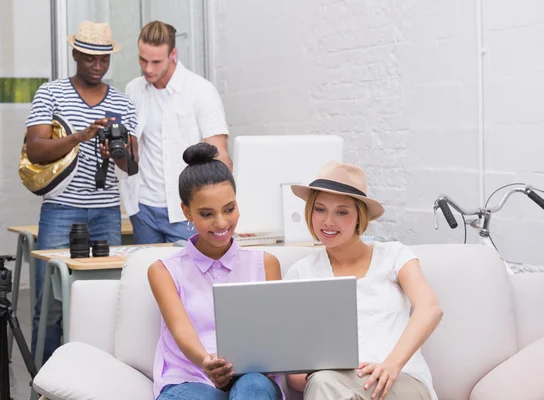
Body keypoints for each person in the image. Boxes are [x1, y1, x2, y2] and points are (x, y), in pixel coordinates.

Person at [25, 20, 137, 363]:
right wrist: (80, 136)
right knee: (51, 303)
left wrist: (116, 153)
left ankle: (95, 374)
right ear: (75, 53)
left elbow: (133, 167)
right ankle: (45, 383)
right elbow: (35, 150)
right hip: (60, 209)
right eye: (90, 58)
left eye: (104, 60)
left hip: (106, 212)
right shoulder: (51, 93)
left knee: (106, 299)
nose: (97, 66)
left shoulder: (123, 102)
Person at [284, 161, 443, 400]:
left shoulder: (394, 256)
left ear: (360, 216)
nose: (328, 221)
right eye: (320, 209)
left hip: (400, 381)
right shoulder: (301, 273)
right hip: (335, 388)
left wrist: (391, 365)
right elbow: (294, 376)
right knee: (323, 382)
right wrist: (326, 373)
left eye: (342, 212)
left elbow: (430, 309)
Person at [147, 143, 283, 400]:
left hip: (251, 380)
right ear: (186, 211)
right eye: (207, 214)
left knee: (252, 387)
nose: (221, 223)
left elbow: (274, 335)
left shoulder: (266, 263)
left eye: (229, 209)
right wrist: (206, 363)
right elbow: (181, 330)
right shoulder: (164, 271)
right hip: (188, 378)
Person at [118, 20, 232, 245]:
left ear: (173, 54)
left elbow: (221, 157)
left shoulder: (200, 90)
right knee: (147, 276)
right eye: (143, 60)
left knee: (195, 275)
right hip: (143, 208)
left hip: (187, 209)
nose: (148, 69)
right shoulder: (134, 90)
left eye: (156, 61)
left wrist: (225, 212)